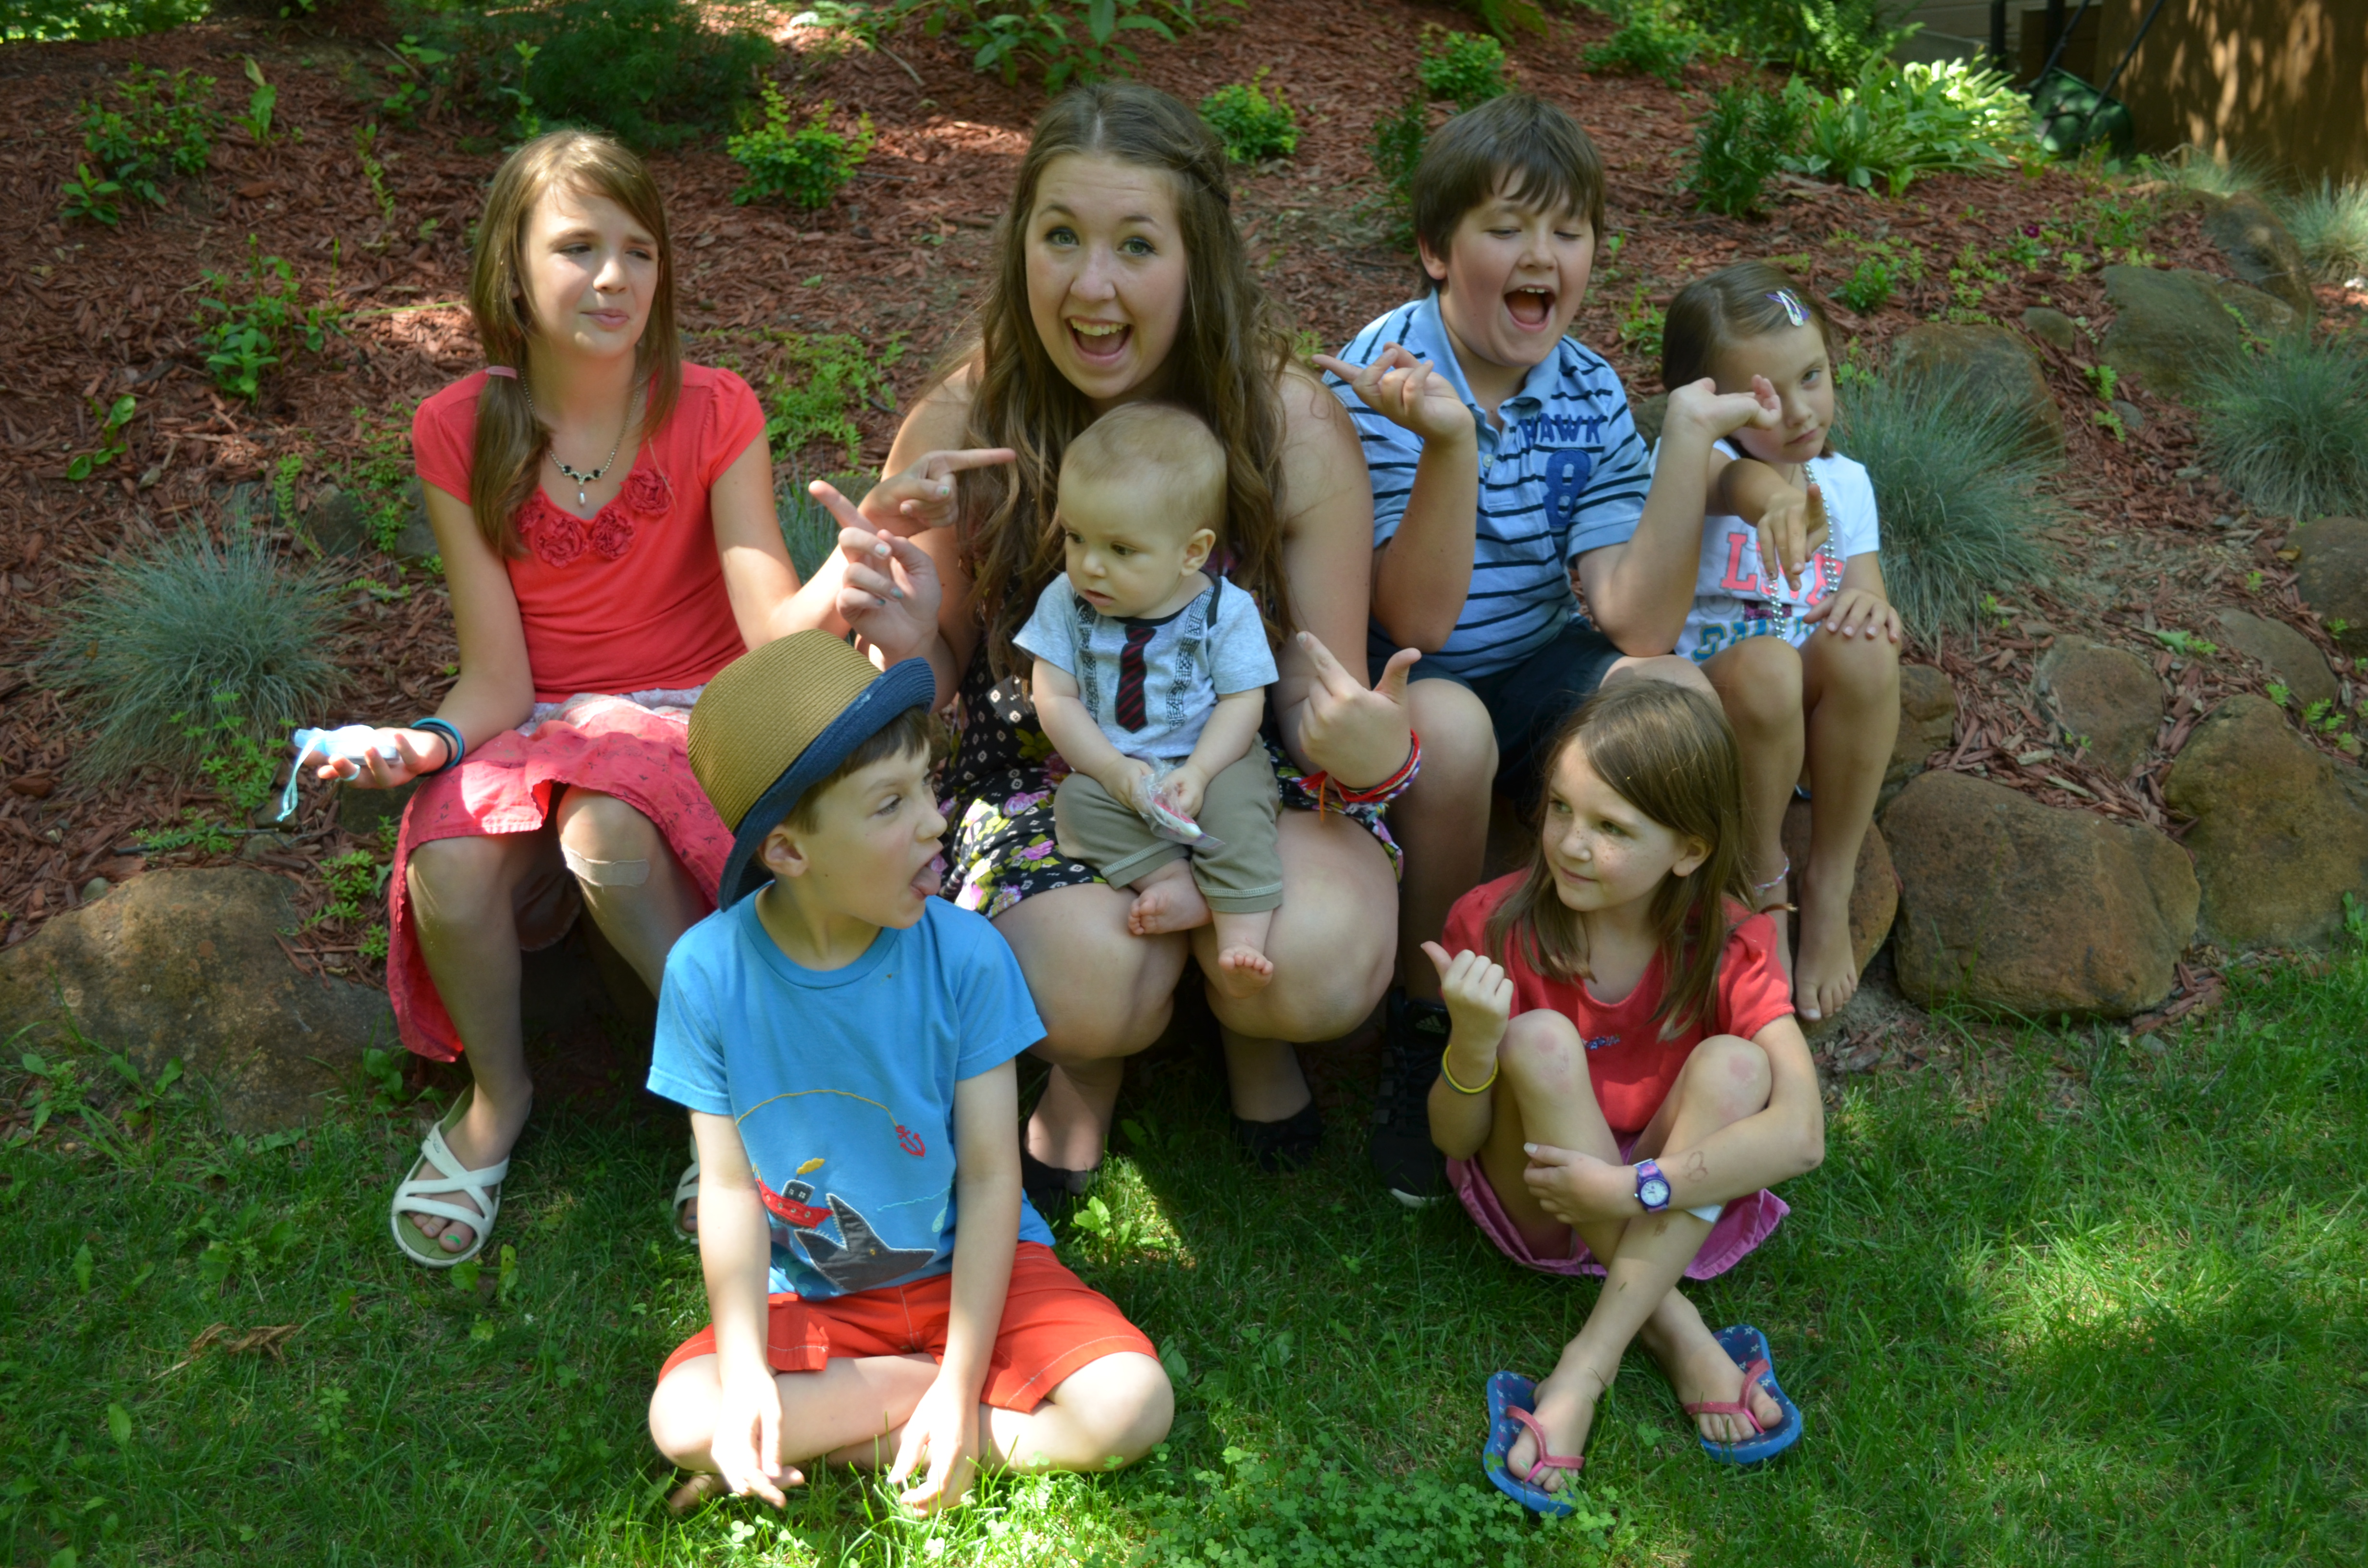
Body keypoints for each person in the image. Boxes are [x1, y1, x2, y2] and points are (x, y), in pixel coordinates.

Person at [794, 83, 1413, 1207]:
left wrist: (1354, 739)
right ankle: (1092, 1062)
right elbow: (937, 692)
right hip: (1047, 774)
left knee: (1315, 961)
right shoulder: (967, 425)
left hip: (1243, 771)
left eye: (1136, 244)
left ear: (1199, 259)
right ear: (1019, 244)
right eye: (1062, 237)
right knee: (1086, 988)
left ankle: (1249, 1022)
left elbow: (1312, 694)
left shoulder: (1287, 427)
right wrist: (906, 643)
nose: (1091, 286)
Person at [308, 130, 840, 1266]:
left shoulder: (713, 408)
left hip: (692, 714)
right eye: (578, 247)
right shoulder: (459, 430)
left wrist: (857, 562)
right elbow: (499, 677)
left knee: (610, 833)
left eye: (639, 251)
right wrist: (423, 743)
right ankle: (499, 1097)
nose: (614, 276)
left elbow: (771, 634)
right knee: (447, 855)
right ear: (511, 270)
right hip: (547, 723)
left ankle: (733, 1100)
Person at [1316, 93, 1779, 1204]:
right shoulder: (1383, 375)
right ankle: (1430, 1023)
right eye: (1507, 227)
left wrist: (1684, 447)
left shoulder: (1588, 388)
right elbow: (1419, 621)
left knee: (1674, 694)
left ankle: (1656, 999)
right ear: (1437, 249)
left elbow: (1635, 620)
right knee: (1453, 731)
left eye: (1568, 232)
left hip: (1535, 660)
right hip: (1408, 675)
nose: (1542, 256)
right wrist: (1450, 444)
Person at [643, 631, 1172, 1516]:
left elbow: (993, 1175)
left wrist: (960, 1375)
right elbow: (728, 1189)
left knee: (1133, 1404)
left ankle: (891, 1422)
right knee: (683, 1414)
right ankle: (942, 1417)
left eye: (927, 784)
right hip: (815, 1292)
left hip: (979, 1272)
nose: (933, 820)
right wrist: (745, 1371)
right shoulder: (707, 973)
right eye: (890, 804)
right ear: (788, 851)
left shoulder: (966, 955)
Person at [1423, 681, 1823, 1508]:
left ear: (1688, 850)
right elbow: (1455, 1139)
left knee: (1739, 1067)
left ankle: (1584, 1367)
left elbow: (1803, 1136)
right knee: (1538, 1038)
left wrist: (1628, 1188)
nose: (1571, 843)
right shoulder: (1491, 923)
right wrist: (1471, 1040)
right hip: (1541, 1198)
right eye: (1561, 808)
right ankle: (1682, 1332)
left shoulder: (1732, 940)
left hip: (1660, 1200)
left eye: (1611, 828)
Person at [1660, 261, 1901, 1021]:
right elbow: (1734, 486)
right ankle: (1762, 879)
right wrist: (1775, 499)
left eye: (1812, 377)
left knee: (1866, 644)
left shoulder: (1847, 482)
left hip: (1799, 713)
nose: (1799, 412)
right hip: (1719, 709)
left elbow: (1867, 590)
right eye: (1764, 398)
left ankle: (1829, 883)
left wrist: (1869, 607)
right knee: (1767, 666)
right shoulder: (1695, 461)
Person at [1019, 403, 1284, 998]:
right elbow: (1054, 695)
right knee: (1077, 805)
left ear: (1191, 552)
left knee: (1241, 811)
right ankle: (1171, 881)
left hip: (1210, 757)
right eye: (1076, 538)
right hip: (1114, 765)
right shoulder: (1064, 601)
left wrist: (1202, 771)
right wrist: (1110, 771)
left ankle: (1241, 936)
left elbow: (1243, 703)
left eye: (1121, 549)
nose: (1089, 565)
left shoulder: (1223, 610)